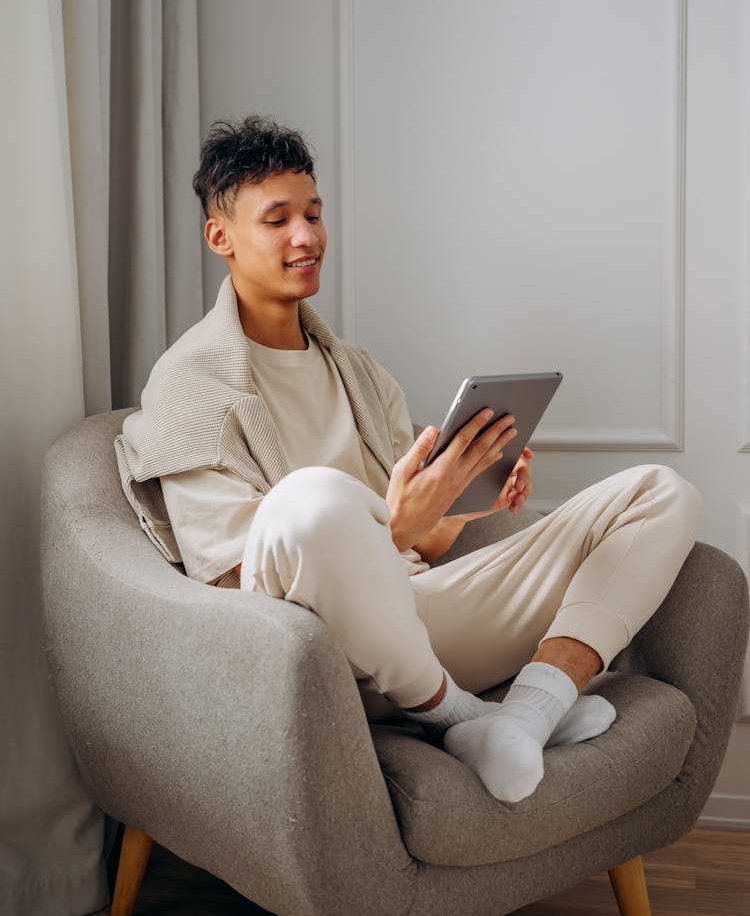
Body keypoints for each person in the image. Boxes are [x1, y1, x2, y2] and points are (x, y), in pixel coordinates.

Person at [115, 115, 701, 804]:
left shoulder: (359, 372)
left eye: (313, 213)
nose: (306, 237)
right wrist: (388, 531)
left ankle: (523, 716)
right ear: (222, 238)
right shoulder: (190, 384)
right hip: (313, 651)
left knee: (661, 491)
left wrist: (463, 497)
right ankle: (463, 715)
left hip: (420, 620)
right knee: (311, 498)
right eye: (277, 219)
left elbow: (422, 542)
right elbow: (234, 584)